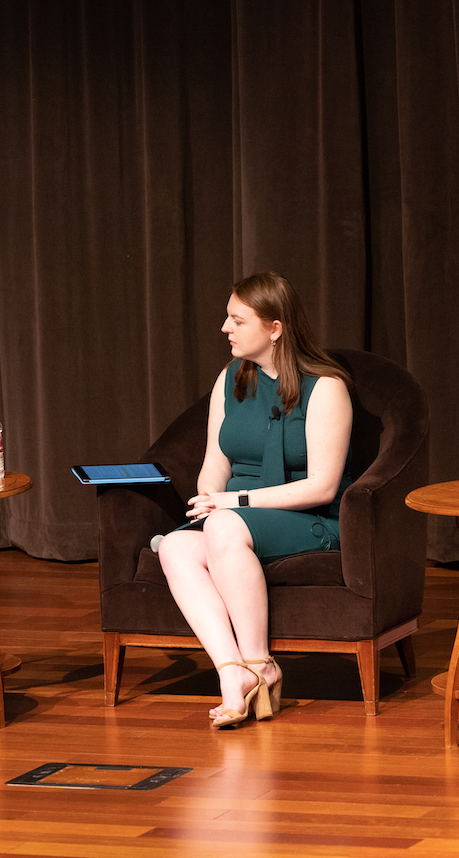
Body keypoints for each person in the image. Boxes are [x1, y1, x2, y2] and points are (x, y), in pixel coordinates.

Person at [156, 272, 353, 728]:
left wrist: (231, 503)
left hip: (308, 515)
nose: (225, 328)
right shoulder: (231, 378)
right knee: (176, 545)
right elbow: (215, 462)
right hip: (236, 510)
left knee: (224, 525)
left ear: (275, 328)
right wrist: (209, 498)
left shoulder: (325, 387)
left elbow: (323, 486)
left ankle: (260, 662)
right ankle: (232, 674)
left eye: (236, 319)